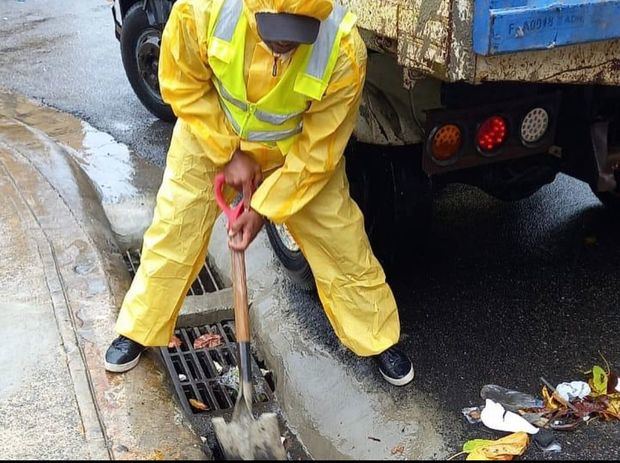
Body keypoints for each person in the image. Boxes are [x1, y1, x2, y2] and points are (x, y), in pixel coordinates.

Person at [104, 0, 414, 386]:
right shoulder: (204, 10)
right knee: (175, 228)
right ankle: (138, 329)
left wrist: (262, 208)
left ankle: (377, 339)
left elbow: (320, 151)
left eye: (298, 31)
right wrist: (228, 153)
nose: (285, 43)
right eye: (275, 28)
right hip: (210, 136)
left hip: (295, 154)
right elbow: (180, 82)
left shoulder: (342, 47)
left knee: (341, 242)